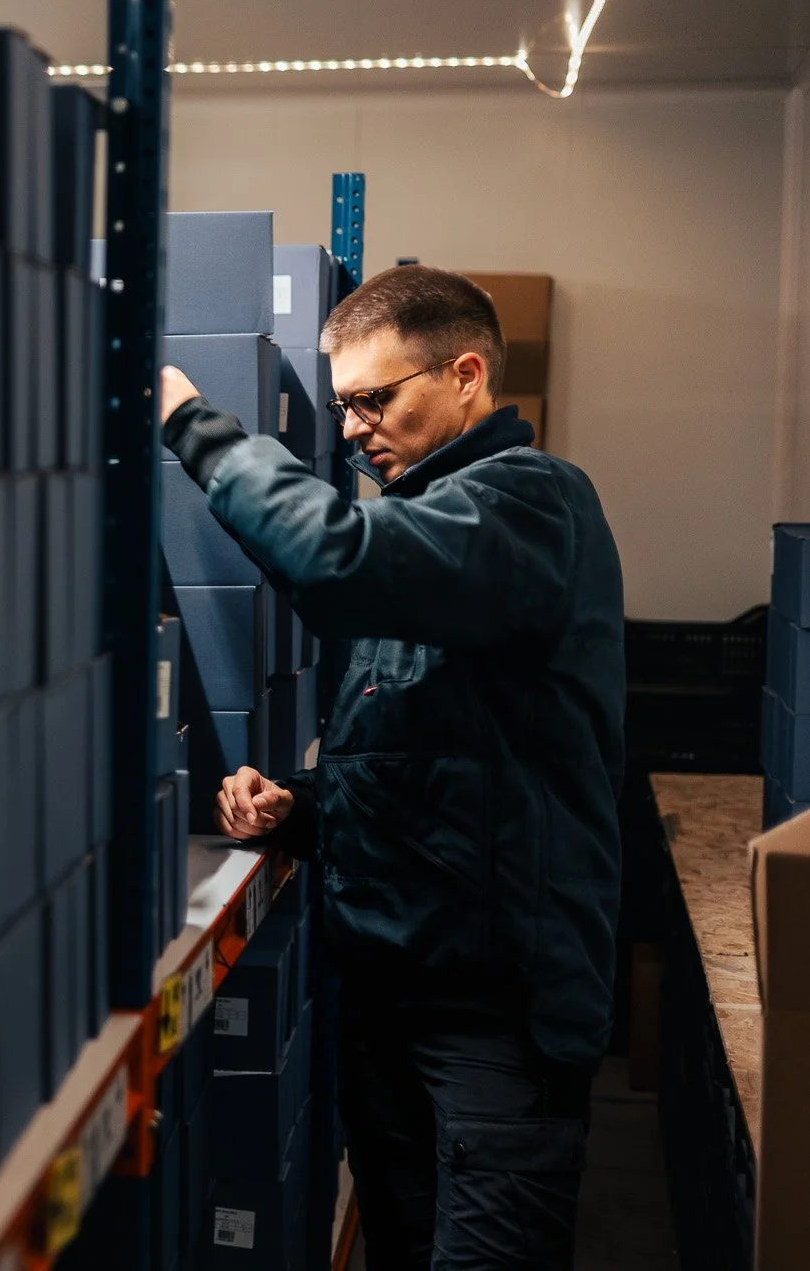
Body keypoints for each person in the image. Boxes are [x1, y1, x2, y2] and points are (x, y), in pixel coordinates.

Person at [157, 265, 624, 1271]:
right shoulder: (427, 532)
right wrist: (304, 808)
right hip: (391, 993)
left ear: (465, 376)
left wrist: (190, 423)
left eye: (378, 397)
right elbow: (430, 757)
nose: (359, 426)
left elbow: (340, 559)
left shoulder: (531, 505)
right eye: (346, 405)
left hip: (497, 1017)